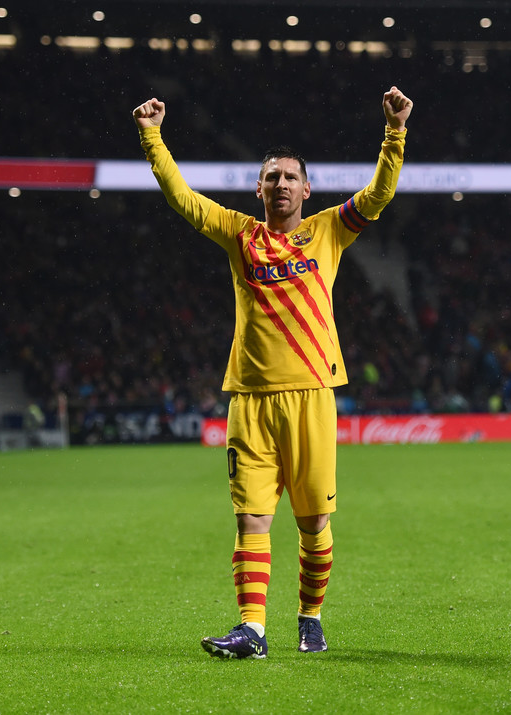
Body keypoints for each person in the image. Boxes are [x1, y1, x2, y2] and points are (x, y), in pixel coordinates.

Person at [133, 87, 413, 658]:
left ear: (306, 189)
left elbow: (380, 195)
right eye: (271, 177)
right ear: (258, 189)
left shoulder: (330, 230)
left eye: (289, 176)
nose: (280, 183)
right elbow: (182, 198)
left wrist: (394, 132)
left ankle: (310, 617)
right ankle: (252, 630)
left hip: (313, 395)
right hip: (250, 400)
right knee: (252, 520)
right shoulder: (240, 234)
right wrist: (152, 137)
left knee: (313, 527)